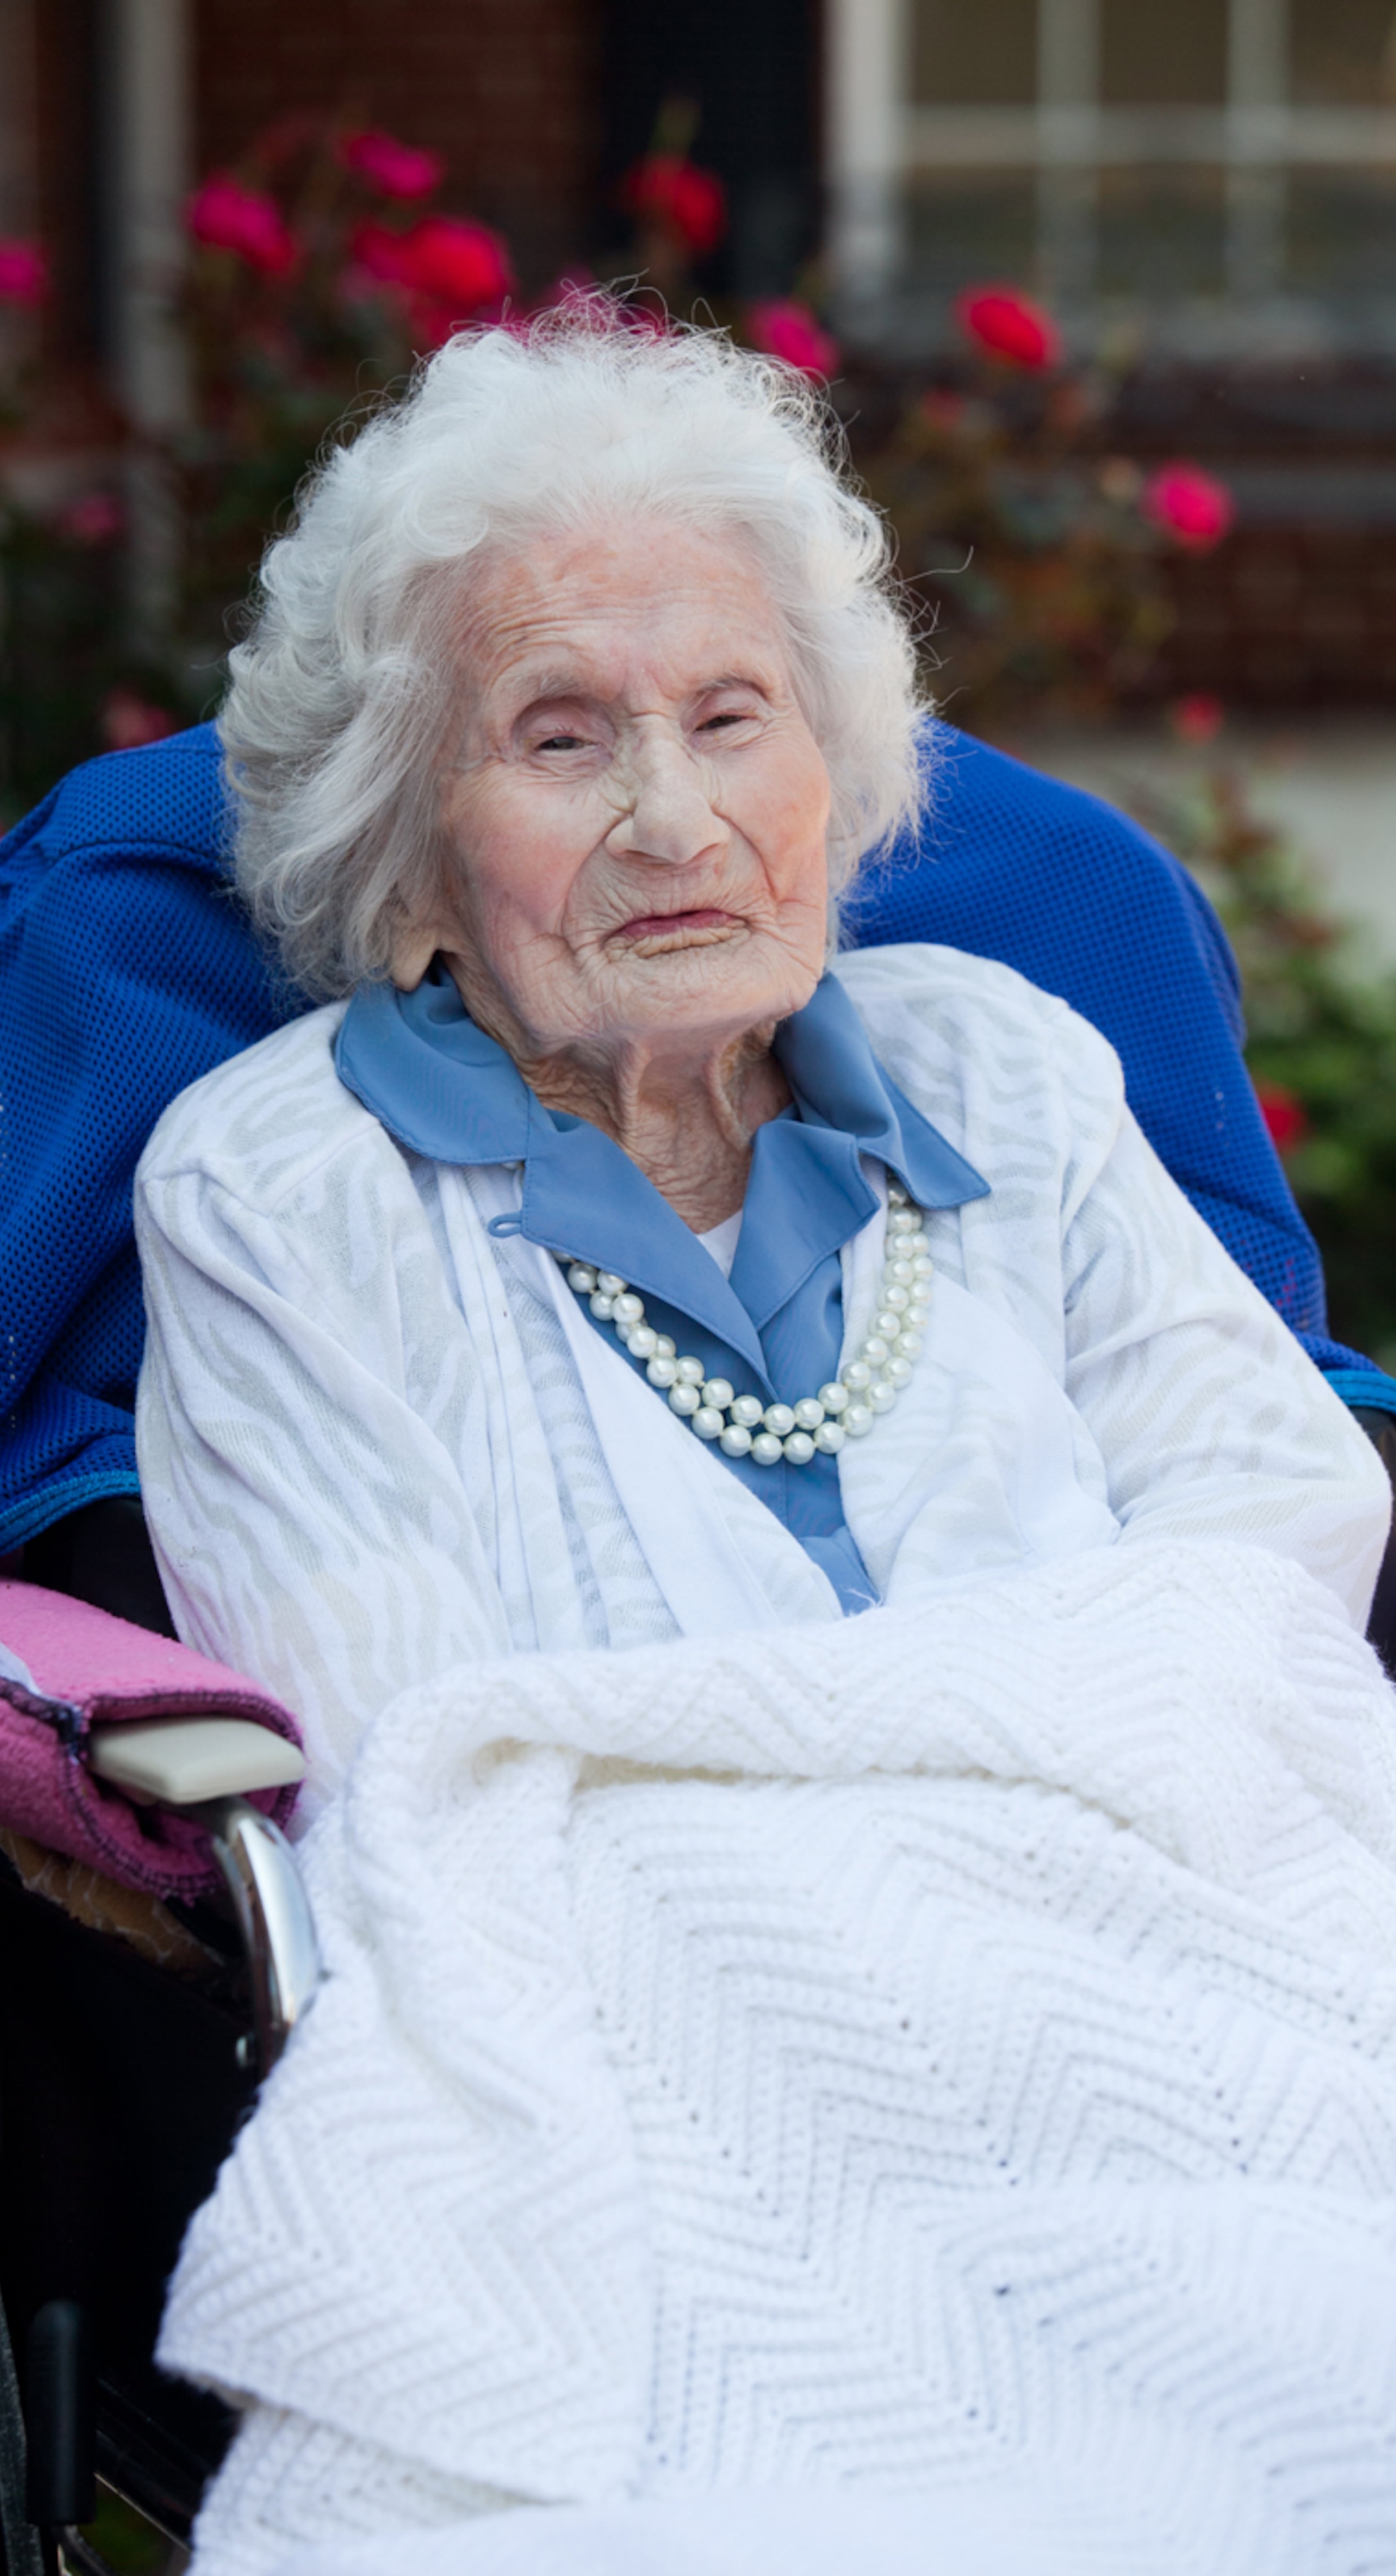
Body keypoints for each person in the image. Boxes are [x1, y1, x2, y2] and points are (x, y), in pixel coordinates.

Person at [134, 308, 1396, 2576]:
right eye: (560, 735)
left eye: (735, 717)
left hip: (1172, 1969)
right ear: (409, 840)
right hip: (674, 2064)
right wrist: (999, 1731)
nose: (677, 817)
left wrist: (968, 1795)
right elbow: (424, 1740)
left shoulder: (1008, 1072)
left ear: (847, 772)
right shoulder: (276, 1196)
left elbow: (1286, 1506)